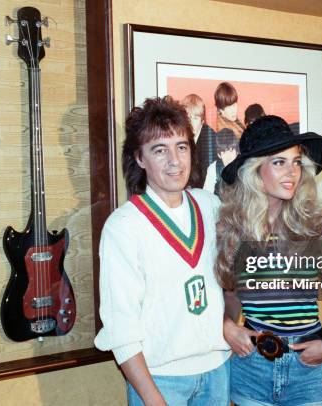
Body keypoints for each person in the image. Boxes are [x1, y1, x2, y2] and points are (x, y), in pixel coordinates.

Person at [94, 96, 230, 405]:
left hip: (218, 371)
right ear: (139, 159)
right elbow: (121, 326)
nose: (175, 161)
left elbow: (231, 282)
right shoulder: (124, 226)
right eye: (160, 149)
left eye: (181, 147)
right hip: (160, 380)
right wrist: (153, 399)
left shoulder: (210, 206)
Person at [216, 115, 322, 406]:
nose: (292, 172)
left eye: (297, 161)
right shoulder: (235, 231)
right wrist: (227, 324)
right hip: (251, 368)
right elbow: (231, 299)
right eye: (279, 162)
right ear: (255, 171)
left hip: (307, 370)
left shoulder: (317, 228)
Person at [182, 94, 217, 186]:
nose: (191, 123)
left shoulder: (210, 140)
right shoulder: (181, 136)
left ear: (202, 121)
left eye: (195, 118)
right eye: (188, 118)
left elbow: (207, 178)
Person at [203, 129, 238, 196]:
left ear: (236, 151)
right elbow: (206, 195)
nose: (229, 157)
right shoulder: (213, 168)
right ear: (219, 155)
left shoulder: (243, 167)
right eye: (224, 152)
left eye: (231, 151)